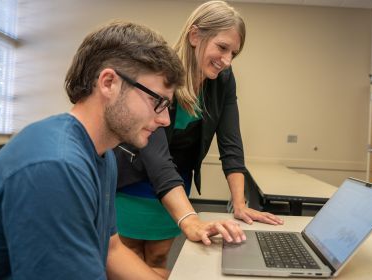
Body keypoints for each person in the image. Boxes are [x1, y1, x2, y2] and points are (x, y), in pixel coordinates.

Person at [0, 21, 245, 279]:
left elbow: (111, 250)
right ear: (109, 83)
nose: (166, 119)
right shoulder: (55, 167)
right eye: (158, 102)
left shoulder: (103, 156)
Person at [114, 1, 284, 269]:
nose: (227, 60)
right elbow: (155, 156)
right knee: (128, 259)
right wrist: (190, 220)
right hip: (134, 179)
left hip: (176, 184)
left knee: (159, 257)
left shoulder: (224, 80)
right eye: (222, 47)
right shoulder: (159, 72)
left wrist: (238, 203)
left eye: (234, 53)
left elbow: (231, 142)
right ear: (195, 36)